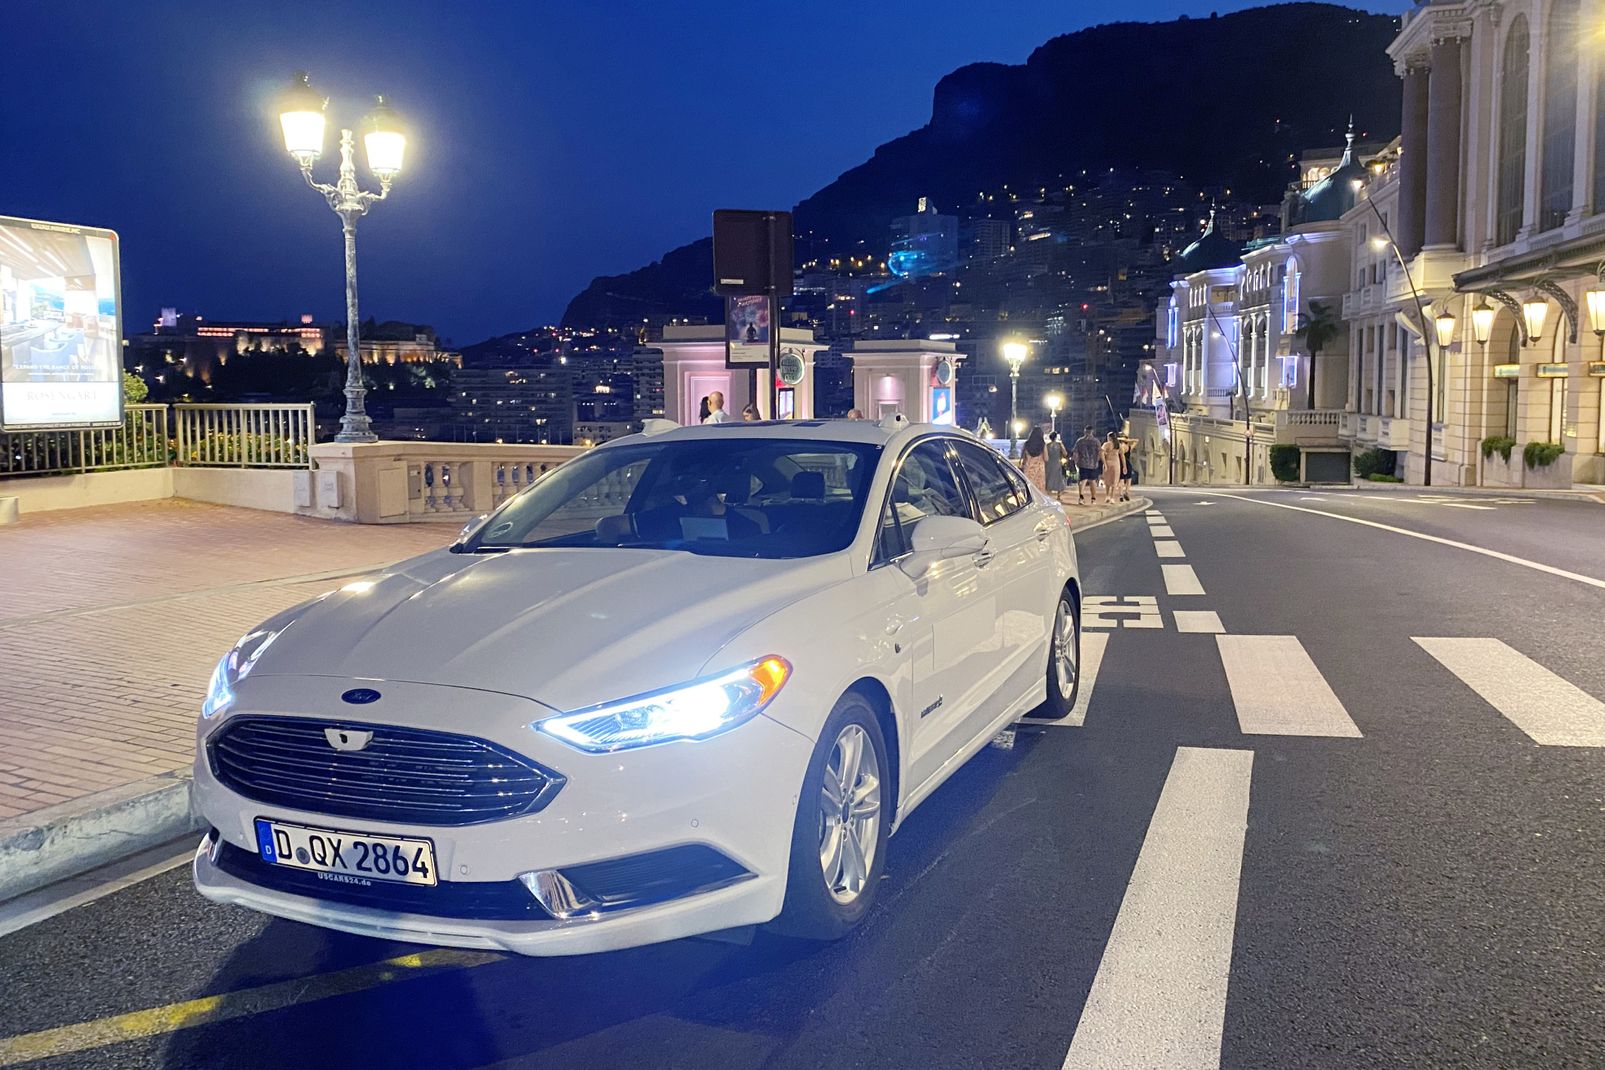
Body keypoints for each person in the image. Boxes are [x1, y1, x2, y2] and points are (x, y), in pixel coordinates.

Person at [1071, 426, 1102, 504]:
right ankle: (1093, 499)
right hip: (1093, 464)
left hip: (1082, 464)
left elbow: (1075, 453)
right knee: (1092, 481)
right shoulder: (1096, 441)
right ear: (1092, 431)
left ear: (1085, 431)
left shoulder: (1080, 441)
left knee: (1083, 481)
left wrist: (1076, 462)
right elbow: (1100, 452)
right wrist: (1097, 461)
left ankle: (1081, 497)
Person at [1021, 426, 1047, 492]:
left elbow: (1023, 458)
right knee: (1039, 490)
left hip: (1028, 469)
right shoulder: (1043, 444)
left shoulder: (1026, 444)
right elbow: (1046, 458)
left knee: (1029, 488)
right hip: (1039, 470)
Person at [1099, 431, 1121, 501]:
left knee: (1107, 480)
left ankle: (1107, 496)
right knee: (1114, 481)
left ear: (1109, 437)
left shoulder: (1106, 444)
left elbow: (1101, 452)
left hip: (1108, 463)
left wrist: (1104, 462)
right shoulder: (1118, 444)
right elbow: (1122, 454)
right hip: (1116, 463)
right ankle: (1112, 497)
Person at [1045, 431, 1067, 496]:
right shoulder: (1059, 444)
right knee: (1058, 478)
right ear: (1056, 437)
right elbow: (1065, 453)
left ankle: (1049, 493)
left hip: (1048, 464)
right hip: (1057, 463)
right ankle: (1059, 494)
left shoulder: (1047, 445)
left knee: (1049, 477)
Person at [1118, 437, 1133, 501]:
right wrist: (1128, 440)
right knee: (1128, 479)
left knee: (1121, 479)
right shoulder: (1129, 447)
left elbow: (1121, 456)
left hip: (1120, 463)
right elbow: (1136, 441)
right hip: (1128, 463)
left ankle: (1121, 495)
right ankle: (1126, 492)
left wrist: (1121, 439)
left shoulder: (1120, 447)